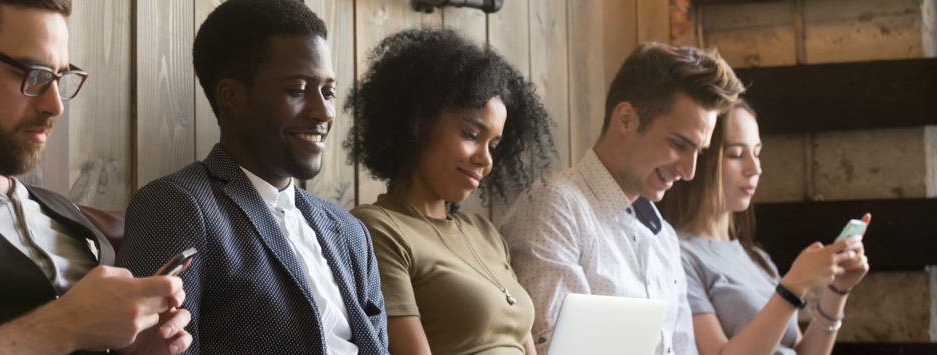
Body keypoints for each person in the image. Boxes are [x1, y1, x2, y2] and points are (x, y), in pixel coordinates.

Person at [0, 0, 191, 354]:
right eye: (33, 74)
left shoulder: (58, 211)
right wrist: (67, 324)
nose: (55, 105)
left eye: (60, 78)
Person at [115, 0, 388, 353]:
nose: (323, 112)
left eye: (328, 92)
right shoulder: (178, 206)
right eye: (297, 90)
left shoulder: (349, 232)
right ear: (231, 96)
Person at [499, 42, 746, 355]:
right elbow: (555, 350)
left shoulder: (665, 240)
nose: (689, 171)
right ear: (626, 119)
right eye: (678, 144)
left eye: (699, 151)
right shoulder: (555, 207)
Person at [346, 27, 557, 355]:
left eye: (494, 145)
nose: (485, 160)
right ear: (417, 122)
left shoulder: (485, 234)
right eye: (471, 134)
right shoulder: (378, 229)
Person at [657, 100, 869, 355]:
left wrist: (837, 290)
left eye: (757, 153)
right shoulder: (679, 256)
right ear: (700, 159)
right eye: (736, 154)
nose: (755, 168)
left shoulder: (757, 259)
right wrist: (793, 287)